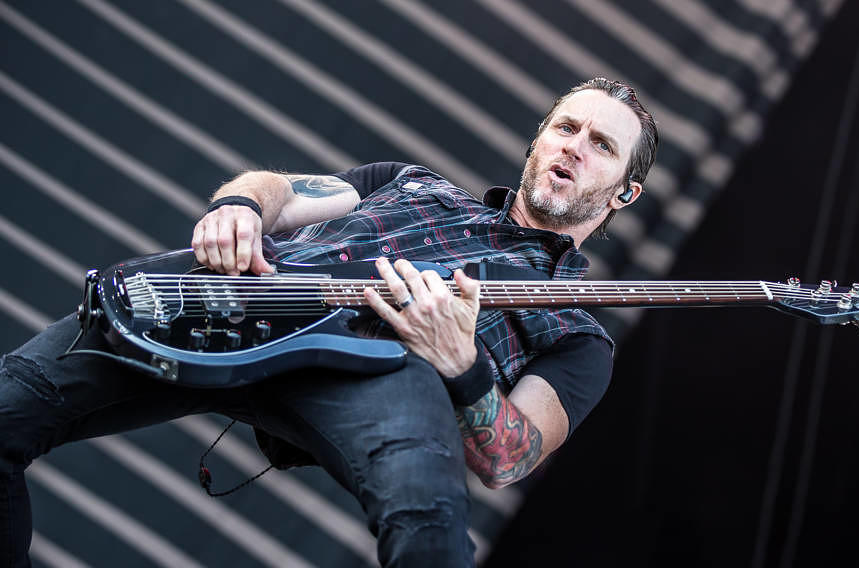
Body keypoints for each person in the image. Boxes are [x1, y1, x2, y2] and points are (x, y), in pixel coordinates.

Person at [0, 78, 658, 567]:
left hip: (381, 372)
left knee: (431, 536)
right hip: (254, 297)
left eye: (601, 145)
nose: (575, 147)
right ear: (539, 139)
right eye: (566, 128)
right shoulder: (411, 183)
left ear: (625, 192)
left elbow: (508, 461)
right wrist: (240, 205)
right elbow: (283, 192)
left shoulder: (577, 337)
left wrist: (462, 364)